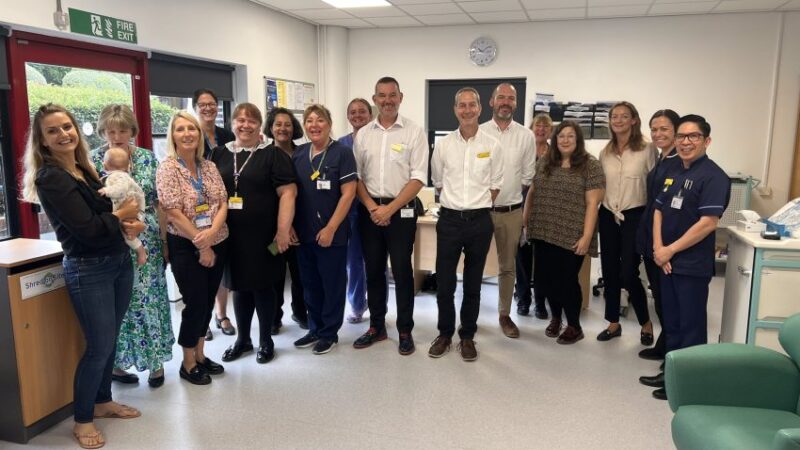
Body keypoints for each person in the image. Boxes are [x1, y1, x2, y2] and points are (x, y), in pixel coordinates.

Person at [22, 103, 145, 449]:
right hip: (88, 269)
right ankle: (83, 420)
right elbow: (88, 230)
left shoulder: (82, 168)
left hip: (118, 261)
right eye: (53, 131)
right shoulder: (51, 177)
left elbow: (107, 215)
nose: (64, 134)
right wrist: (121, 212)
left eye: (67, 127)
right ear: (42, 141)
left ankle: (103, 401)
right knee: (99, 346)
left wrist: (129, 222)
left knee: (110, 340)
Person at [90, 104, 173, 389]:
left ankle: (156, 363)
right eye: (110, 130)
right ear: (103, 131)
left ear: (132, 131)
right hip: (110, 241)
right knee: (118, 306)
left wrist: (162, 240)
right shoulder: (92, 161)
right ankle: (117, 364)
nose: (116, 136)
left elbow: (160, 204)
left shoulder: (149, 160)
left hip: (145, 241)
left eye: (122, 130)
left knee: (149, 300)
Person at [650, 114, 730, 400]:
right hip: (667, 260)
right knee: (671, 323)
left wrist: (669, 250)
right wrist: (660, 249)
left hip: (691, 265)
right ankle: (671, 375)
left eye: (693, 136)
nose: (686, 142)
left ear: (706, 141)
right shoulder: (675, 171)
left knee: (691, 326)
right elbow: (658, 209)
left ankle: (690, 386)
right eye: (681, 136)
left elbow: (709, 222)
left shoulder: (713, 176)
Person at [213, 103, 297, 365]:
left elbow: (288, 194)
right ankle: (243, 340)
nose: (245, 125)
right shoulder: (219, 154)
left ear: (259, 125)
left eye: (251, 120)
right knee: (239, 287)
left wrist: (283, 231)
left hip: (264, 236)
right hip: (230, 235)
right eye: (239, 120)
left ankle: (265, 341)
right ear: (232, 124)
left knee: (262, 287)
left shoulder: (272, 155)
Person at [352, 78, 428, 355]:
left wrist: (389, 209)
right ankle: (376, 327)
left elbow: (418, 177)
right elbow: (356, 177)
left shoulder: (414, 132)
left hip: (401, 212)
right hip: (369, 211)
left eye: (392, 95)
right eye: (382, 95)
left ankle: (405, 329)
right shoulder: (364, 134)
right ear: (375, 98)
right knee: (372, 270)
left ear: (401, 97)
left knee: (402, 271)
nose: (387, 100)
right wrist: (373, 207)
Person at [429, 87, 503, 361]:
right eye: (462, 105)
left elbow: (495, 186)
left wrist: (473, 206)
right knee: (445, 283)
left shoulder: (492, 146)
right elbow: (438, 182)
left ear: (480, 108)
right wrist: (457, 205)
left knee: (473, 284)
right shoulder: (444, 145)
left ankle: (468, 336)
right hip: (448, 221)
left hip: (480, 222)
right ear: (455, 109)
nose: (468, 110)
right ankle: (445, 333)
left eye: (472, 105)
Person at [156, 111, 229, 385]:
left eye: (192, 129)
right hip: (186, 245)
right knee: (195, 302)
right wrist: (203, 243)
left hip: (218, 239)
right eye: (180, 129)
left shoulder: (208, 166)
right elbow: (172, 212)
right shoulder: (167, 168)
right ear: (172, 136)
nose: (187, 134)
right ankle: (187, 363)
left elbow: (223, 203)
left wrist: (211, 235)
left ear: (199, 135)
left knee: (208, 301)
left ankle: (200, 355)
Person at [524, 120, 604, 344]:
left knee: (566, 281)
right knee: (546, 281)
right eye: (561, 136)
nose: (565, 140)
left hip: (572, 233)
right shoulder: (545, 162)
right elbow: (533, 190)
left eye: (570, 136)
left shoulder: (591, 165)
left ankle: (574, 326)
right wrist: (525, 220)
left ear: (578, 140)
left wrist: (587, 237)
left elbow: (592, 204)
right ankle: (556, 318)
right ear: (555, 139)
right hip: (543, 230)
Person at [291, 104, 357, 355]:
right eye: (309, 121)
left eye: (320, 120)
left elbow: (348, 193)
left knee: (332, 284)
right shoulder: (299, 154)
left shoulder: (342, 153)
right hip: (304, 232)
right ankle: (315, 328)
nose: (314, 125)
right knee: (310, 284)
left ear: (329, 124)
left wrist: (331, 227)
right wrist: (290, 227)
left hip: (332, 234)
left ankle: (329, 332)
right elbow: (292, 194)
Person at [596, 101, 657, 343]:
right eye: (614, 117)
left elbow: (654, 186)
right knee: (609, 270)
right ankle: (613, 323)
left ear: (634, 120)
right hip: (608, 215)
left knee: (628, 273)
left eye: (624, 116)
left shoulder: (647, 149)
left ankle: (646, 322)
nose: (618, 120)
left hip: (635, 215)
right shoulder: (605, 152)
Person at [479, 83, 534, 338]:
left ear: (515, 103)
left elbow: (526, 178)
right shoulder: (478, 133)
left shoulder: (526, 136)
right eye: (501, 97)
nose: (505, 102)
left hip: (511, 211)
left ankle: (504, 314)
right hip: (480, 211)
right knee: (473, 264)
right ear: (491, 102)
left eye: (510, 98)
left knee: (507, 266)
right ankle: (470, 315)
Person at [636, 109, 680, 368]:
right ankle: (664, 345)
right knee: (661, 299)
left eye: (664, 129)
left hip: (665, 244)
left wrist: (661, 246)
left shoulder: (679, 163)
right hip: (652, 241)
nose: (658, 134)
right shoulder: (662, 159)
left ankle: (671, 354)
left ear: (676, 131)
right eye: (654, 129)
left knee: (668, 302)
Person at [194, 88, 236, 339]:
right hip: (198, 207)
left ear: (218, 107)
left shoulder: (226, 134)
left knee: (221, 265)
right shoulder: (190, 132)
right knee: (201, 267)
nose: (208, 108)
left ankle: (222, 314)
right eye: (202, 104)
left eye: (212, 103)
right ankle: (205, 319)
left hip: (225, 203)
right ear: (195, 107)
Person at [265, 107, 309, 332]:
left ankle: (301, 312)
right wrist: (285, 225)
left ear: (294, 129)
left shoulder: (303, 154)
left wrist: (294, 224)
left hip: (301, 227)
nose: (283, 128)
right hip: (274, 228)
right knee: (275, 273)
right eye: (278, 124)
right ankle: (274, 317)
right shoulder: (264, 155)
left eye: (288, 124)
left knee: (300, 273)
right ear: (270, 128)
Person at [338, 98, 372, 324]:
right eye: (353, 112)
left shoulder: (380, 139)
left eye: (362, 111)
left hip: (374, 208)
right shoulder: (341, 144)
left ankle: (378, 305)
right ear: (348, 116)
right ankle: (357, 305)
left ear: (370, 114)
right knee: (353, 261)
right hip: (349, 210)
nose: (357, 115)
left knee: (376, 261)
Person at [516, 114, 552, 319]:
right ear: (531, 128)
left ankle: (540, 302)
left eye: (545, 127)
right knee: (521, 259)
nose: (541, 129)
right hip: (520, 209)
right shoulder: (523, 149)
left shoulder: (554, 154)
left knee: (542, 261)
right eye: (538, 126)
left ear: (550, 131)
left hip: (544, 212)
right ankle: (523, 299)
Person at [99, 147, 148, 267]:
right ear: (128, 166)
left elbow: (120, 190)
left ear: (104, 166)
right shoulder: (124, 175)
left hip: (131, 212)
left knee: (127, 235)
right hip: (132, 210)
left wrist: (106, 190)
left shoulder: (117, 176)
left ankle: (141, 252)